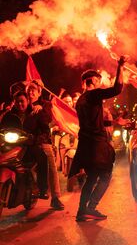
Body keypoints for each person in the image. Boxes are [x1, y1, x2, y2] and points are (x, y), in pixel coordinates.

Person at [70, 56, 126, 222]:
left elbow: (94, 121)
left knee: (92, 178)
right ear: (92, 81)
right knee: (106, 175)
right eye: (98, 80)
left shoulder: (81, 100)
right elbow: (117, 88)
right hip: (95, 145)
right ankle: (91, 207)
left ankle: (82, 211)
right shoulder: (93, 95)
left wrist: (114, 121)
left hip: (86, 145)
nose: (101, 83)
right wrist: (120, 66)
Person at [26, 80, 65, 210]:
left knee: (51, 168)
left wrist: (41, 109)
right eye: (29, 90)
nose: (30, 92)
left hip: (42, 141)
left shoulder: (45, 105)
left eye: (33, 90)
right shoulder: (23, 105)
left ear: (39, 92)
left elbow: (47, 120)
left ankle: (55, 198)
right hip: (25, 142)